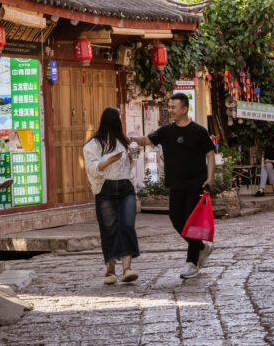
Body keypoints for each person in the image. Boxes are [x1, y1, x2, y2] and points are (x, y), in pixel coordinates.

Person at [131, 92, 215, 279]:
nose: (170, 111)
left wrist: (210, 178)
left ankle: (191, 263)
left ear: (184, 109)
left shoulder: (199, 131)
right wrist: (131, 139)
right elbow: (147, 140)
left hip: (196, 182)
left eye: (173, 107)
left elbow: (210, 154)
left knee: (190, 220)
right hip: (175, 183)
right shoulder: (166, 131)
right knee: (176, 219)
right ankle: (200, 246)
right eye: (169, 107)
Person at [83, 107, 140, 285]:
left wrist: (133, 154)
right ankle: (110, 269)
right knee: (109, 228)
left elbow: (131, 166)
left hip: (125, 187)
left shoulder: (124, 141)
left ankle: (127, 268)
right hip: (105, 189)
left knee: (127, 225)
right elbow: (92, 168)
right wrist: (109, 160)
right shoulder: (94, 145)